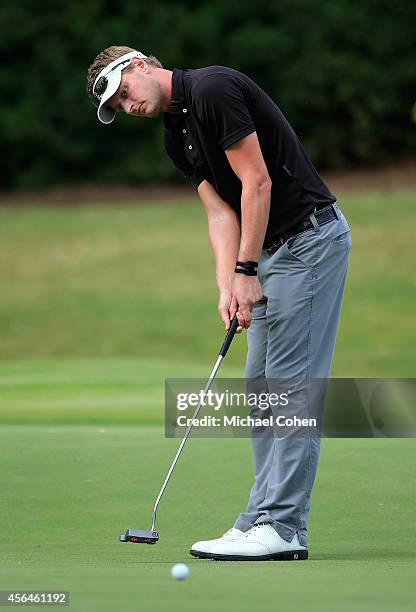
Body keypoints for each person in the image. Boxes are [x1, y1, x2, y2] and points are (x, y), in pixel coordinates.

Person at [86, 46, 351, 561]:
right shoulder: (174, 135)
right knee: (259, 388)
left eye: (124, 91)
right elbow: (220, 214)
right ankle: (257, 518)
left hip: (310, 243)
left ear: (140, 65)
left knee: (291, 389)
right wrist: (228, 284)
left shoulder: (212, 89)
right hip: (269, 252)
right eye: (116, 105)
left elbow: (257, 181)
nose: (127, 104)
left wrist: (247, 270)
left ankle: (285, 527)